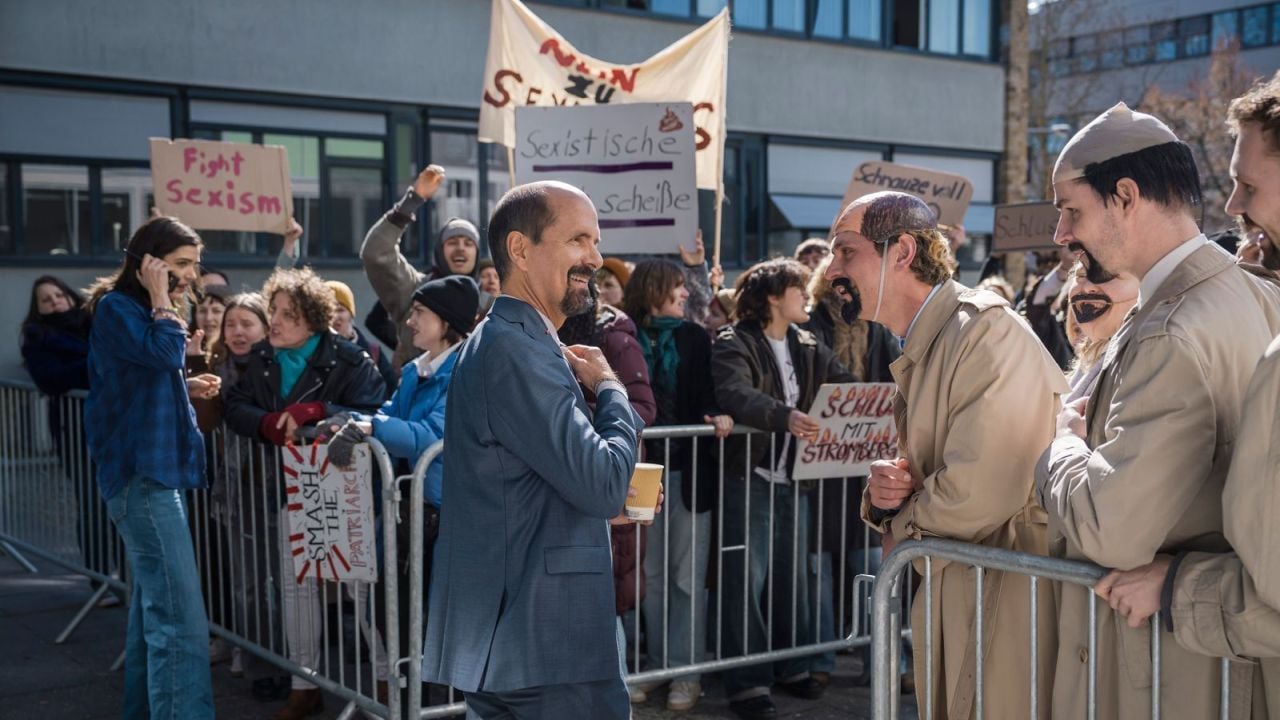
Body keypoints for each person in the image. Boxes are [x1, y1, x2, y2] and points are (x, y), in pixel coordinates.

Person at [1036, 102, 1280, 720]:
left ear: (1124, 195)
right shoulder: (1248, 291)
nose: (1061, 234)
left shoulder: (1172, 327)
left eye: (1071, 210)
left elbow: (1108, 527)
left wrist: (1061, 445)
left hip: (1167, 672)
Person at [827, 191, 1065, 720]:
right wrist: (885, 496)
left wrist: (898, 520)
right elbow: (934, 478)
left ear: (903, 252)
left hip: (1004, 601)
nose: (830, 271)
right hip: (962, 592)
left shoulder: (985, 332)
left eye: (845, 252)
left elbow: (977, 493)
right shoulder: (931, 342)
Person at [423, 181, 645, 720]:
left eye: (596, 241)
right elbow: (602, 483)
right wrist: (612, 388)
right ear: (521, 250)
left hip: (525, 640)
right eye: (578, 240)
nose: (594, 258)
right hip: (544, 642)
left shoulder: (514, 340)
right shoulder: (516, 349)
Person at [222, 267, 387, 720]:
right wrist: (265, 422)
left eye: (286, 314)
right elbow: (234, 404)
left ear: (313, 320)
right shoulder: (262, 358)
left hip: (346, 489)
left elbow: (377, 409)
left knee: (359, 586)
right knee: (296, 589)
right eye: (273, 310)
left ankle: (388, 682)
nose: (273, 321)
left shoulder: (352, 359)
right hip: (291, 488)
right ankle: (304, 684)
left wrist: (322, 411)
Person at [83, 216, 219, 719]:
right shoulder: (121, 307)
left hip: (149, 474)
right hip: (143, 477)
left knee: (154, 614)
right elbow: (163, 354)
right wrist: (163, 298)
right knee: (178, 619)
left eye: (193, 265)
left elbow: (133, 384)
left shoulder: (128, 311)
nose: (189, 275)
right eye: (180, 264)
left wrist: (182, 390)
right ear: (149, 262)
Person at [710, 258, 853, 720]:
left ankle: (793, 666)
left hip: (795, 480)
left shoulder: (810, 344)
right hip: (748, 479)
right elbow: (735, 393)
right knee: (744, 582)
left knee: (794, 579)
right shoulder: (734, 341)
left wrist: (884, 398)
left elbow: (847, 387)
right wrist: (784, 416)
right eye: (797, 288)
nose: (806, 295)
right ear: (773, 296)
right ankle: (747, 682)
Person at [622, 259, 733, 712]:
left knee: (687, 578)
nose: (685, 294)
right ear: (653, 291)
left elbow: (709, 392)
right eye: (675, 287)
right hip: (641, 473)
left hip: (688, 474)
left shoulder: (693, 338)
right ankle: (657, 666)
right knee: (650, 576)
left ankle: (687, 673)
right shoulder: (623, 335)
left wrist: (717, 414)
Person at [800, 256, 902, 687]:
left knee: (874, 566)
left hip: (866, 463)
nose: (846, 293)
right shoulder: (808, 328)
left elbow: (899, 373)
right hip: (822, 466)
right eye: (839, 286)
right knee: (818, 567)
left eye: (850, 286)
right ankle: (822, 659)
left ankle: (882, 661)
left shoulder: (877, 328)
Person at [556, 279, 658, 703]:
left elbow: (641, 410)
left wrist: (596, 392)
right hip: (577, 490)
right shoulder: (529, 339)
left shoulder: (613, 338)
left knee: (605, 601)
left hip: (607, 477)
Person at [360, 164, 481, 367]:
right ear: (439, 252)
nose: (460, 248)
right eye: (452, 242)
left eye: (468, 243)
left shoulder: (493, 302)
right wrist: (412, 201)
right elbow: (376, 253)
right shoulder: (415, 290)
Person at [1059, 261, 1138, 402]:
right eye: (1081, 275)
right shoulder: (1088, 361)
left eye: (1106, 275)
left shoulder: (1142, 357)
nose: (1089, 287)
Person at [21, 275, 92, 397]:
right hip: (72, 411)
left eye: (59, 295)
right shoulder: (37, 338)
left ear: (71, 297)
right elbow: (50, 379)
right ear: (38, 309)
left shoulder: (96, 321)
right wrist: (98, 364)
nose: (54, 301)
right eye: (46, 300)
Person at [326, 279, 396, 395]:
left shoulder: (374, 354)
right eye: (328, 310)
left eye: (340, 310)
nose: (334, 316)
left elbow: (391, 395)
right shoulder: (311, 352)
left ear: (351, 314)